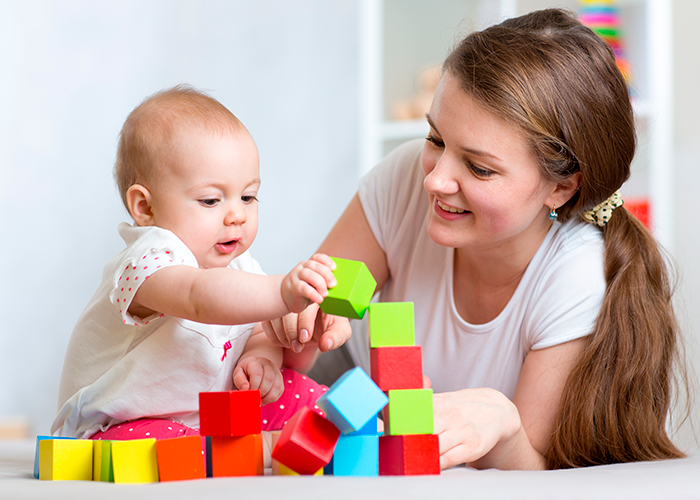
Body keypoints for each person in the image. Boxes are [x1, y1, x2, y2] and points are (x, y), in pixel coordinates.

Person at [264, 8, 688, 469]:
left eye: (479, 167)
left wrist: (503, 428)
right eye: (435, 137)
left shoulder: (574, 277)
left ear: (561, 186)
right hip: (348, 393)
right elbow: (312, 314)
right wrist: (290, 333)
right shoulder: (404, 177)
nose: (435, 180)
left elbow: (537, 473)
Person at [51, 85, 350, 445]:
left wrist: (262, 360)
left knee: (309, 399)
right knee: (178, 450)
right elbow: (198, 296)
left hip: (211, 413)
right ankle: (247, 451)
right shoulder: (146, 261)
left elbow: (256, 331)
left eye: (248, 196)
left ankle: (356, 435)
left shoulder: (239, 264)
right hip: (117, 422)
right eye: (211, 200)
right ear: (145, 207)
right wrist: (282, 291)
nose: (237, 214)